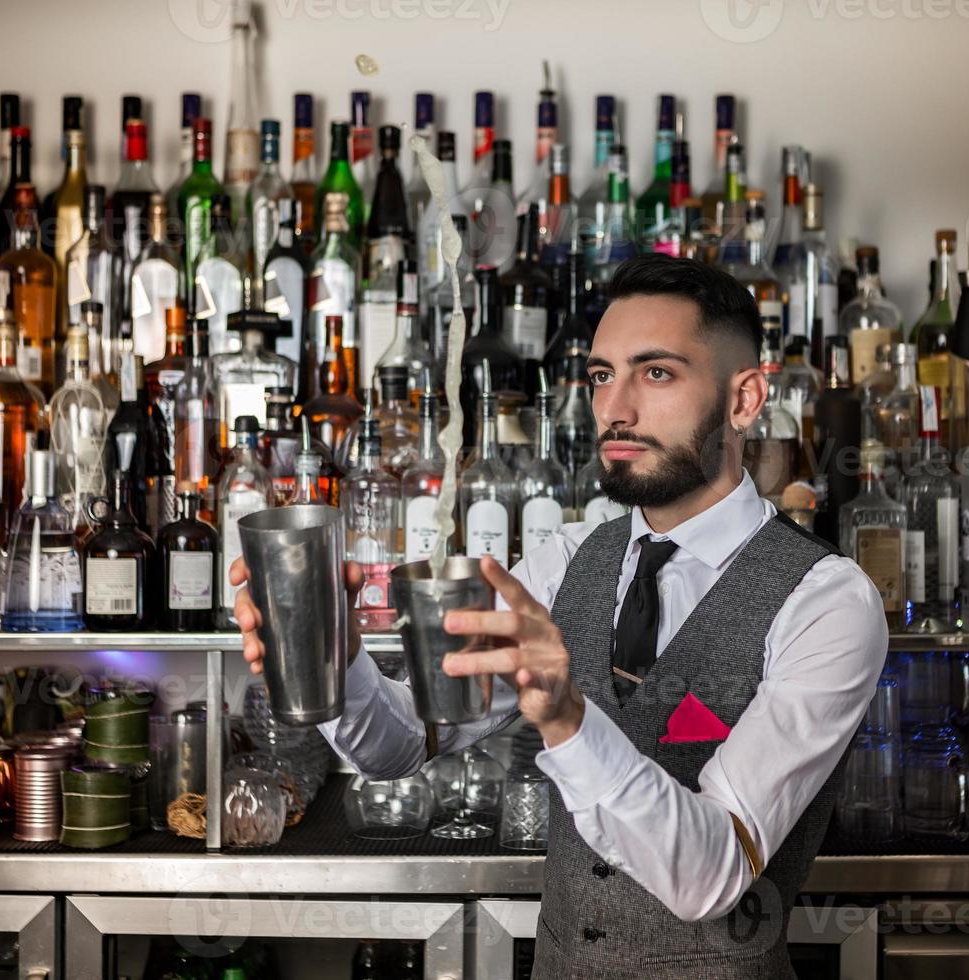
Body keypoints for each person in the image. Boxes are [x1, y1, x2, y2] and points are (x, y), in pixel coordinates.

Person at [230, 253, 887, 978]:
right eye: (603, 375)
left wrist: (568, 716)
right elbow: (397, 747)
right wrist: (329, 649)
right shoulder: (566, 561)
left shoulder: (827, 602)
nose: (616, 408)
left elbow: (713, 874)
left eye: (656, 373)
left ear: (744, 399)